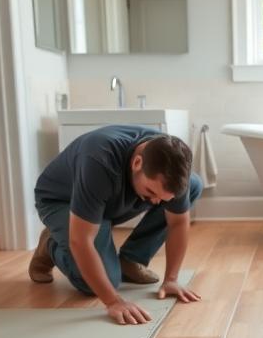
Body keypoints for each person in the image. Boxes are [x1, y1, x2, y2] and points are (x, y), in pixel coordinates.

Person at [28, 124, 202, 324]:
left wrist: (171, 279)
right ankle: (51, 244)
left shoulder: (171, 164)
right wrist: (113, 301)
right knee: (98, 284)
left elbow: (178, 222)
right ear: (137, 162)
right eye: (151, 192)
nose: (155, 203)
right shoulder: (99, 160)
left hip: (104, 200)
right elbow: (81, 241)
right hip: (62, 200)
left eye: (163, 199)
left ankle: (130, 259)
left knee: (194, 185)